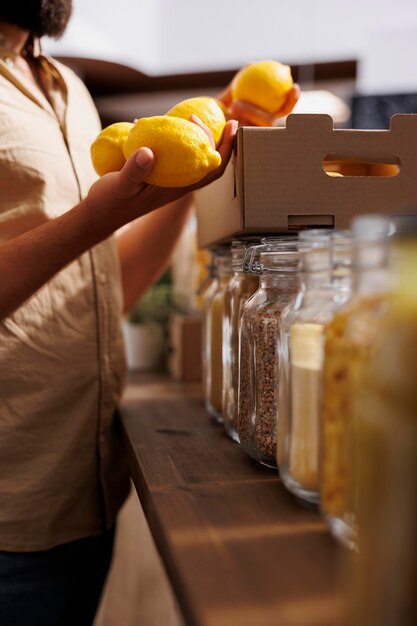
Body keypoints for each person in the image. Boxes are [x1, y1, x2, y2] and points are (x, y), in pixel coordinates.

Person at [0, 2, 299, 624]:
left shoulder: (65, 86)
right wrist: (92, 218)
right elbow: (86, 232)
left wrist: (185, 178)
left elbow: (107, 288)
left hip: (81, 497)